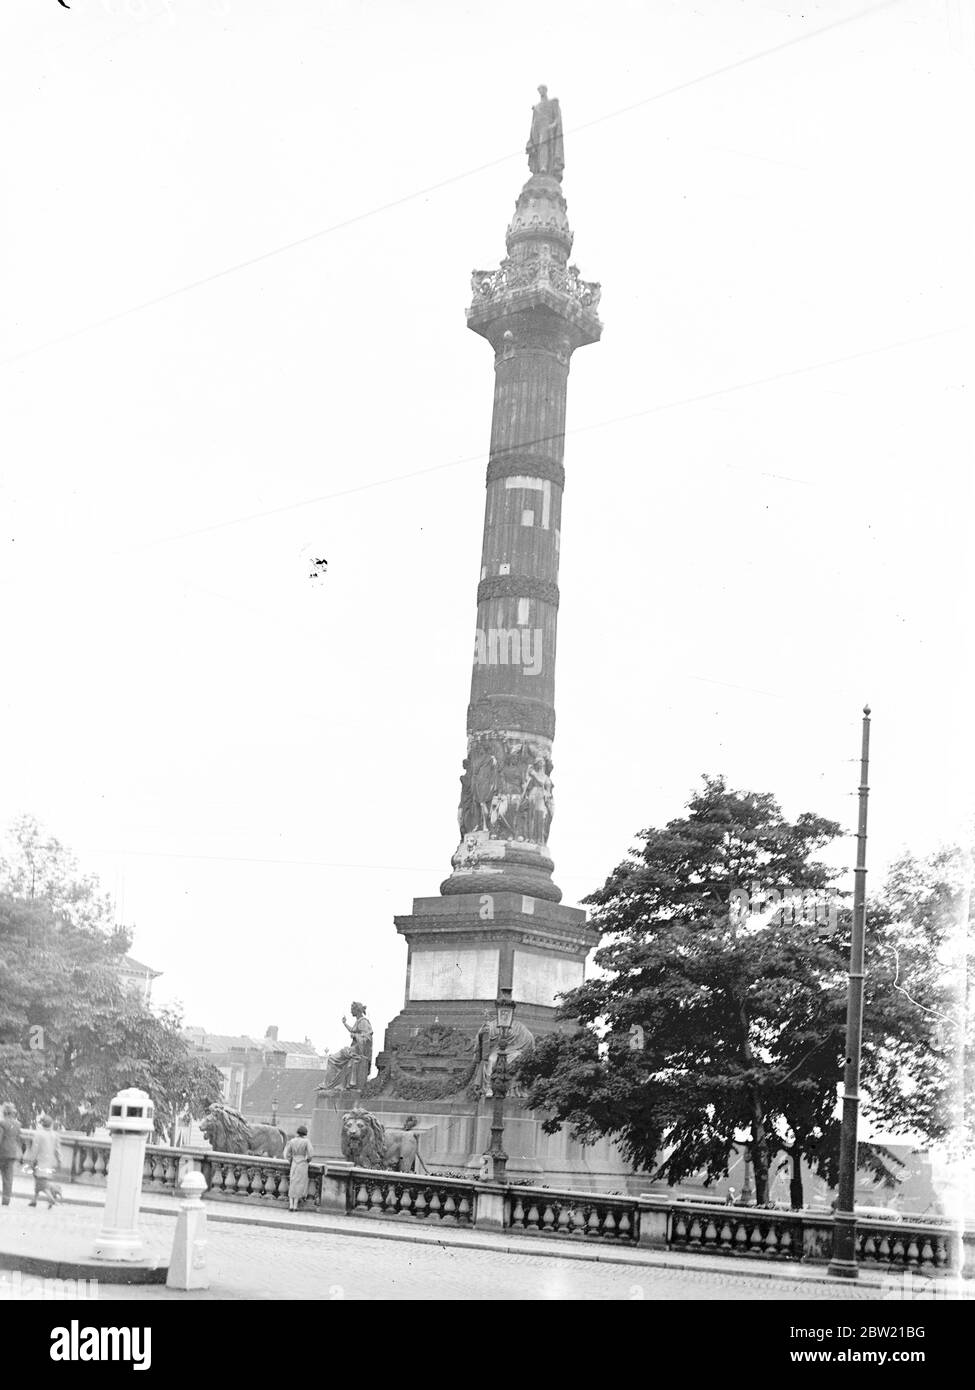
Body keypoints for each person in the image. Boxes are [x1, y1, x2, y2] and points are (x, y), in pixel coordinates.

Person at [25, 1114, 62, 1208]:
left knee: (41, 1183)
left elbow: (35, 1149)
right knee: (40, 1182)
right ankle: (34, 1200)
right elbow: (58, 1150)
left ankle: (51, 1198)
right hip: (50, 1162)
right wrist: (59, 1161)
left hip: (39, 1161)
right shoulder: (55, 1135)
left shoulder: (39, 1134)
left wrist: (31, 1161)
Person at [283, 1125, 314, 1212]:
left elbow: (287, 1154)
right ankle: (295, 1205)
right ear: (305, 1133)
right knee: (299, 1183)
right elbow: (310, 1154)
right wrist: (307, 1160)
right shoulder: (306, 1142)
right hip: (302, 1163)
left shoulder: (292, 1141)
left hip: (294, 1163)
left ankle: (291, 1204)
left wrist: (291, 1160)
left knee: (292, 1182)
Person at [0, 1102, 22, 1208]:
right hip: (12, 1153)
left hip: (2, 1153)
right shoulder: (18, 1125)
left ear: (5, 1112)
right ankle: (6, 1199)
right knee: (8, 1178)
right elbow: (20, 1140)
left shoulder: (2, 1123)